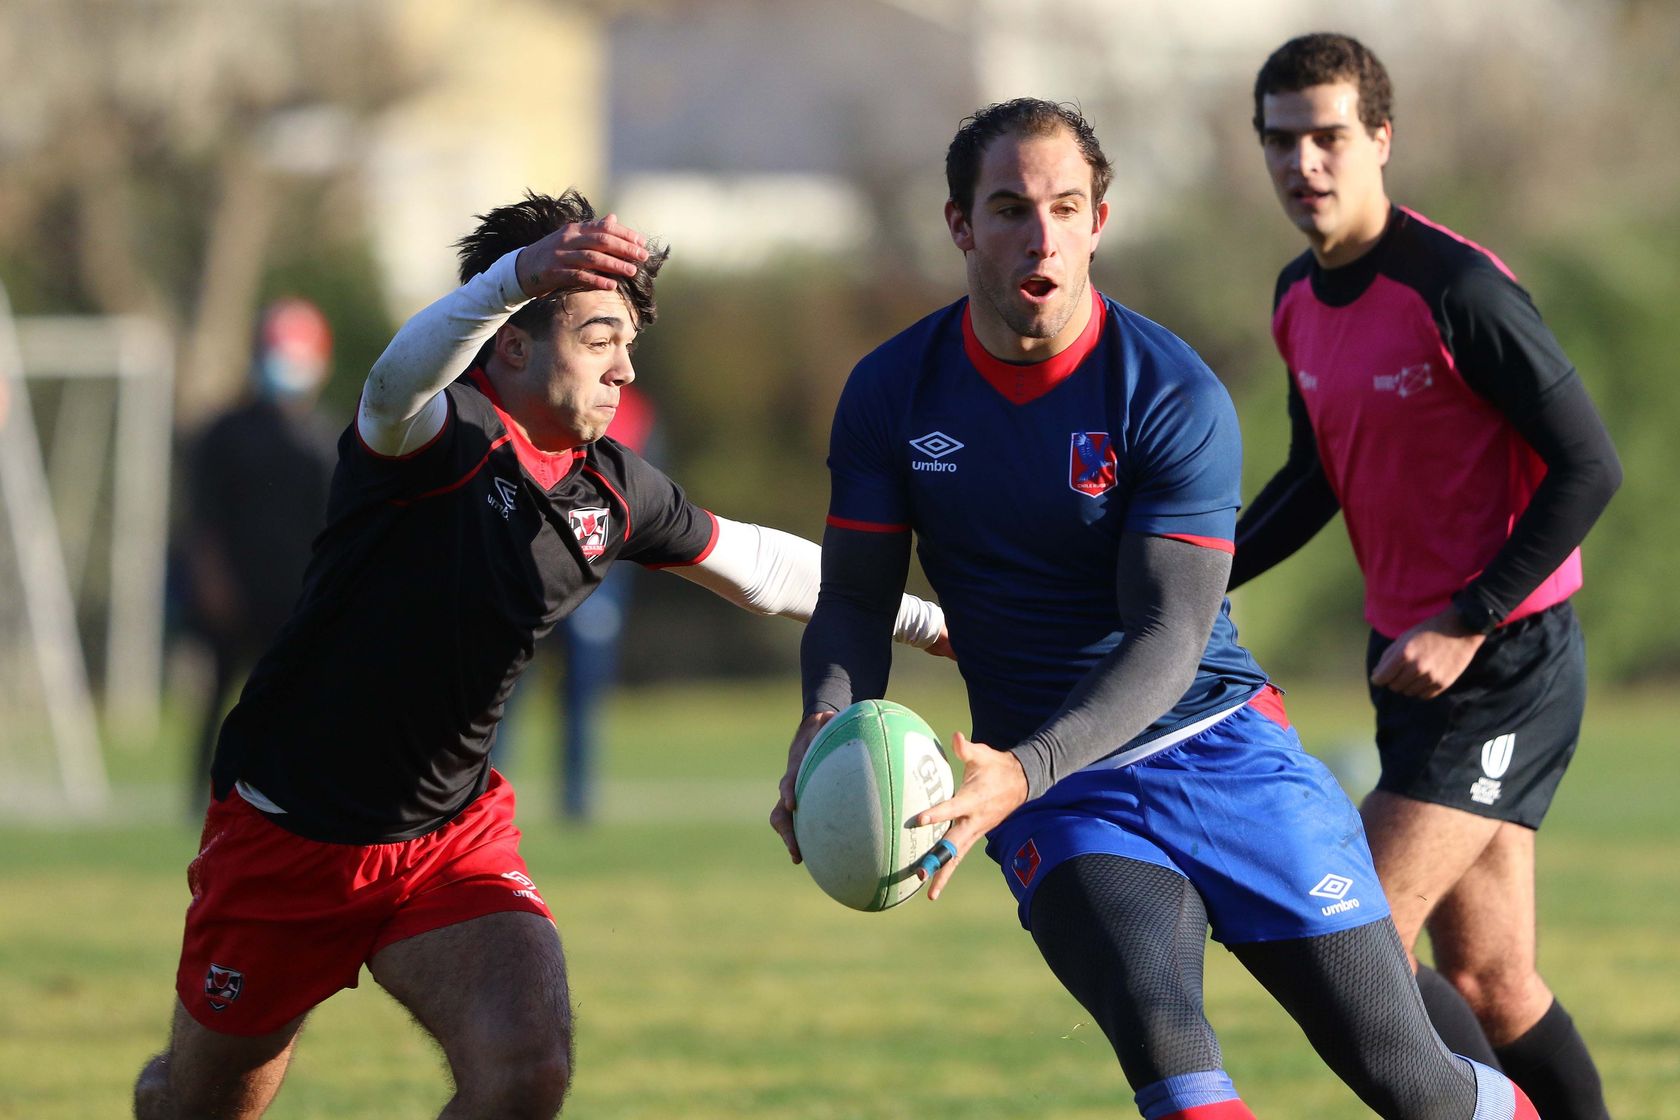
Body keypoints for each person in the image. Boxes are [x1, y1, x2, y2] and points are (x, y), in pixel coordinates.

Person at [772, 99, 1539, 1120]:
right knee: (1163, 1033)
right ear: (959, 225)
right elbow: (858, 601)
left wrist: (1021, 770)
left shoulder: (1168, 392)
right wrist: (825, 724)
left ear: (1100, 219)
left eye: (1064, 206)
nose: (1039, 235)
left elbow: (1171, 635)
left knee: (1407, 1073)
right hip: (1065, 792)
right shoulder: (892, 393)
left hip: (1220, 750)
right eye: (1008, 209)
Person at [133, 189, 947, 1120]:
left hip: (449, 842)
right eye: (601, 341)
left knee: (527, 1071)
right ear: (513, 341)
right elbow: (396, 381)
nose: (625, 370)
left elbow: (760, 563)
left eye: (628, 344)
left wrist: (930, 625)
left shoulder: (613, 486)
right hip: (289, 834)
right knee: (198, 1108)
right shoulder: (436, 437)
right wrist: (518, 274)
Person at [1232, 33, 1621, 1120]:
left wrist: (1469, 618)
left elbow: (1590, 465)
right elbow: (1317, 477)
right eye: (1280, 141)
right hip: (1406, 662)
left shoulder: (1457, 288)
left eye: (1328, 137)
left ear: (1381, 139)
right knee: (1494, 983)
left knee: (1350, 929)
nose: (1304, 163)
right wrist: (1198, 569)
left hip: (1503, 659)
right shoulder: (1295, 298)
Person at [182, 298, 338, 810]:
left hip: (296, 595)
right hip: (234, 589)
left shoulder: (326, 437)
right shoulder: (224, 432)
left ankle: (282, 794)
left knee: (291, 701)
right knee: (219, 696)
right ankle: (203, 794)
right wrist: (210, 580)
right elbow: (202, 517)